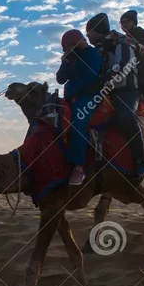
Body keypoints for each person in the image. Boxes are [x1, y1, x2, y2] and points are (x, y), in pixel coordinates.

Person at [86, 13, 144, 179]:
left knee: (125, 116)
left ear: (96, 31)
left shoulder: (121, 43)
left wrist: (103, 81)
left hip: (126, 90)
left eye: (89, 32)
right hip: (103, 91)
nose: (87, 36)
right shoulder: (98, 49)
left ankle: (141, 161)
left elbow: (122, 69)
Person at [56, 30, 102, 186]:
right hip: (72, 97)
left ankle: (78, 167)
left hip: (91, 96)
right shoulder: (72, 58)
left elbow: (90, 77)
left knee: (78, 120)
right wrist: (66, 62)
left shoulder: (91, 54)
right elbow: (60, 79)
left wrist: (71, 90)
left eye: (69, 45)